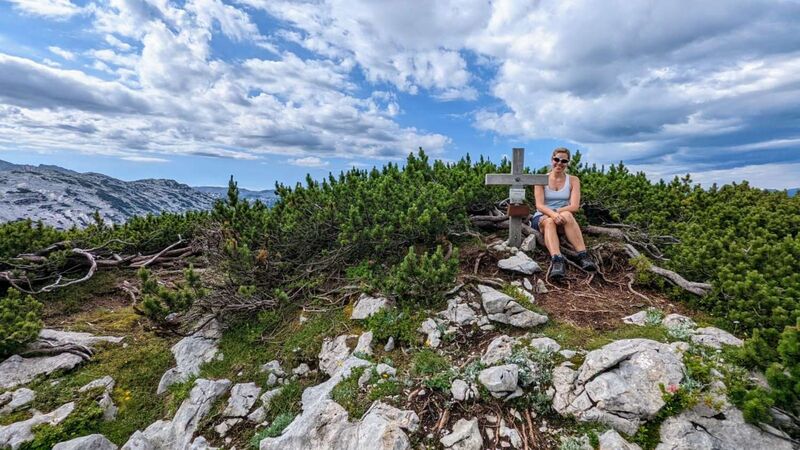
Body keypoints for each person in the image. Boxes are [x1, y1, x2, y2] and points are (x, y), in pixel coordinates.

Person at [531, 147, 596, 279]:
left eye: (563, 161)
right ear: (551, 160)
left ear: (568, 163)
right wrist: (553, 215)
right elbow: (539, 205)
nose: (559, 163)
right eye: (556, 159)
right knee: (549, 221)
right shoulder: (541, 179)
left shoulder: (573, 180)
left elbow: (574, 206)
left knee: (567, 214)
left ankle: (583, 255)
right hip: (543, 217)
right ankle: (557, 260)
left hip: (563, 217)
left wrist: (558, 212)